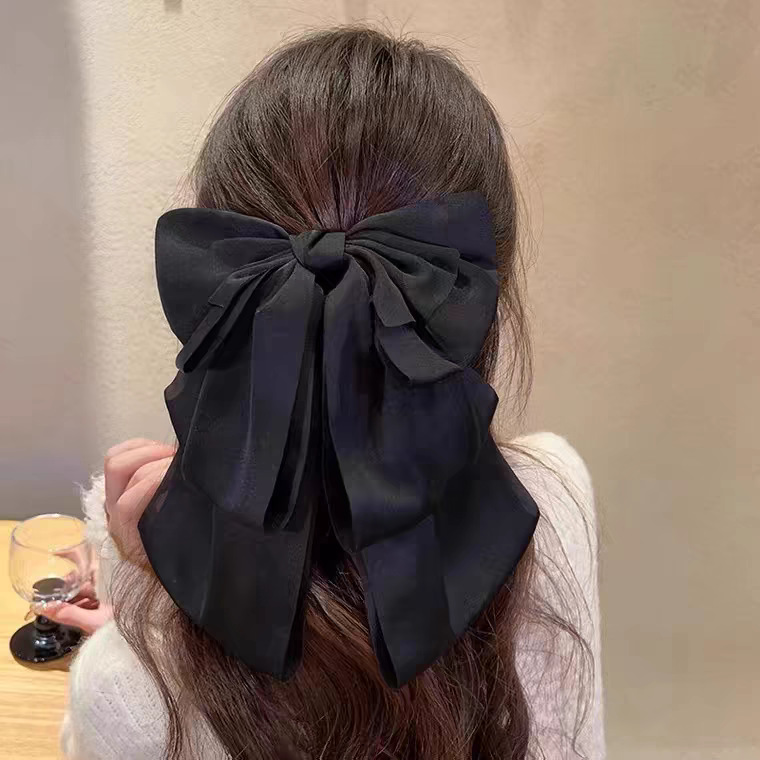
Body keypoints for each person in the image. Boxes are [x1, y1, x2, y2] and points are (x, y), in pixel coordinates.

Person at [45, 27, 604, 760]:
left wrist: (144, 599)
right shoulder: (556, 494)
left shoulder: (128, 691)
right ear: (477, 305)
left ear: (227, 303)